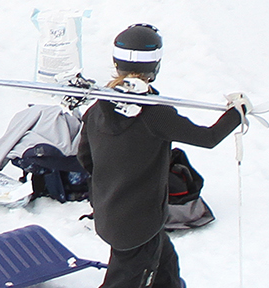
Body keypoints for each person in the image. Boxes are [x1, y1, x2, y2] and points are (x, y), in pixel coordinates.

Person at [75, 25, 250, 288]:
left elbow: (85, 158)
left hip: (115, 215)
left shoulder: (98, 108)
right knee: (126, 280)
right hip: (139, 227)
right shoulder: (155, 115)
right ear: (154, 66)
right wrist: (238, 112)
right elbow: (209, 138)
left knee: (166, 266)